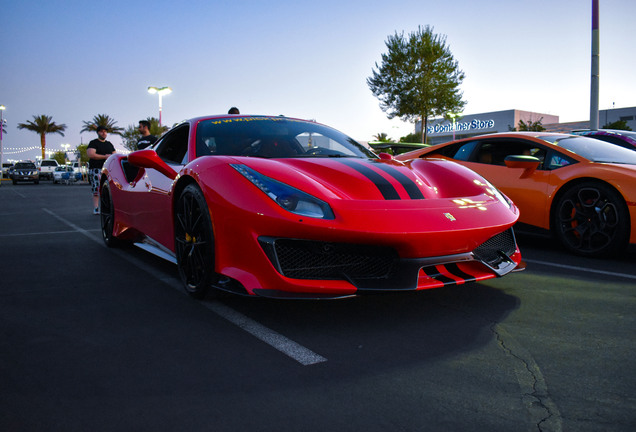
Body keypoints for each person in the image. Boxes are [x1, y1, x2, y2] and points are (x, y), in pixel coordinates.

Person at [87, 126, 116, 215]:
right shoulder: (93, 143)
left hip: (107, 170)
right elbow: (91, 154)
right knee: (96, 188)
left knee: (108, 188)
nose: (104, 133)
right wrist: (104, 157)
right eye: (101, 132)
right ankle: (96, 207)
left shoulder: (109, 144)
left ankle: (107, 207)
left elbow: (114, 155)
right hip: (96, 169)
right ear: (98, 133)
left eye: (105, 132)